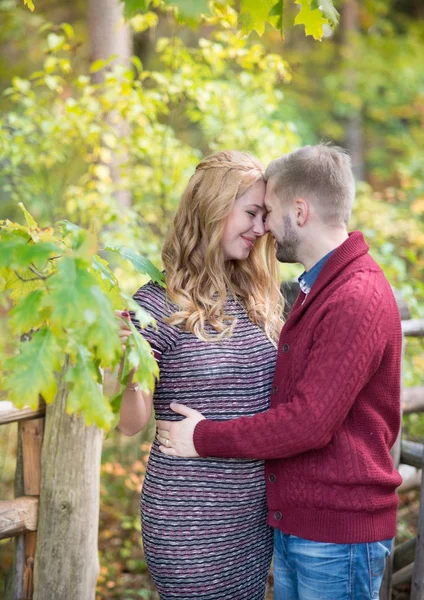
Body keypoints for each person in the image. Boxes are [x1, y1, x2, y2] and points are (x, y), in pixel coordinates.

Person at [157, 144, 403, 600]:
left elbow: (309, 422)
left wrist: (204, 437)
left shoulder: (354, 295)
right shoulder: (319, 289)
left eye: (267, 212)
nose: (264, 227)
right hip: (302, 529)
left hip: (336, 536)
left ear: (300, 211)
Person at [117, 150, 284, 600]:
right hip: (188, 519)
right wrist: (128, 363)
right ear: (212, 210)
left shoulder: (256, 296)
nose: (261, 228)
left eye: (265, 216)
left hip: (252, 517)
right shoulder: (156, 303)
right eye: (251, 213)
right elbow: (130, 424)